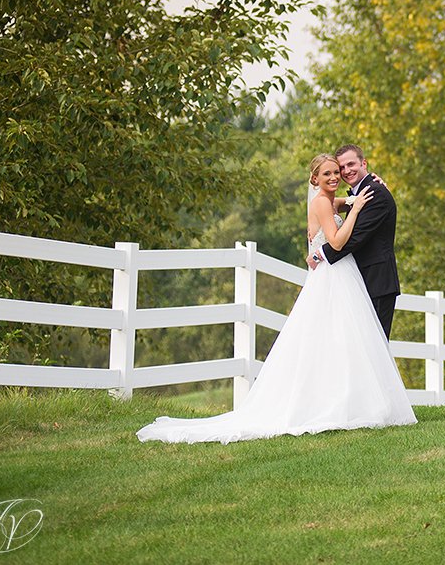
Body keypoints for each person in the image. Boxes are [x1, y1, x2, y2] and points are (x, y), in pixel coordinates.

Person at [137, 154, 417, 444]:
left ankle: (356, 404)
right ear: (314, 179)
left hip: (344, 275)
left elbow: (346, 202)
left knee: (346, 340)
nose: (337, 176)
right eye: (329, 173)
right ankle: (347, 405)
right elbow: (336, 241)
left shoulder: (337, 199)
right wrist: (354, 210)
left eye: (340, 170)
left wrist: (364, 192)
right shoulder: (322, 202)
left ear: (363, 164)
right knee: (343, 339)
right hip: (335, 275)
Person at [307, 145, 400, 339]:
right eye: (342, 167)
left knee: (375, 346)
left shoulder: (375, 192)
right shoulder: (356, 195)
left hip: (377, 280)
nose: (346, 171)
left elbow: (356, 237)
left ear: (363, 163)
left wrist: (320, 253)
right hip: (353, 279)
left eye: (351, 164)